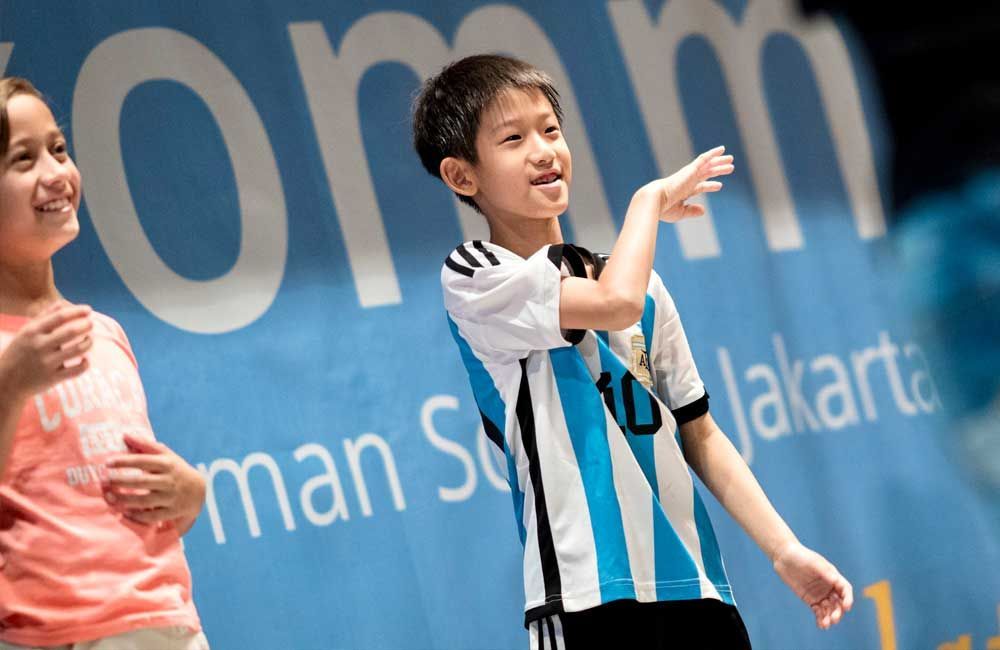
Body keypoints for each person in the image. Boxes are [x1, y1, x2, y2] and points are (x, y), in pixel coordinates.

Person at [413, 54, 852, 648]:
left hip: (695, 586)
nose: (544, 150)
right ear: (463, 177)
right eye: (513, 139)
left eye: (551, 129)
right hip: (586, 595)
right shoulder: (475, 274)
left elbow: (700, 433)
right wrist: (648, 201)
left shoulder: (640, 283)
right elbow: (614, 304)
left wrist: (786, 550)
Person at [0, 77, 209, 649]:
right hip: (55, 635)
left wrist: (189, 491)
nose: (55, 173)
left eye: (59, 149)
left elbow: (120, 488)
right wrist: (10, 384)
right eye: (23, 159)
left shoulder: (105, 334)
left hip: (169, 624)